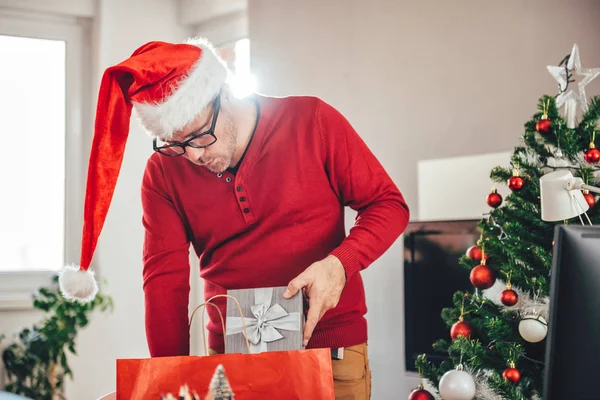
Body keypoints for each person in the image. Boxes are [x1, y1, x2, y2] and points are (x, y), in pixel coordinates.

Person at [59, 37, 409, 400]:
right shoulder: (163, 172)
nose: (192, 156)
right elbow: (164, 282)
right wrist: (167, 379)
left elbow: (388, 204)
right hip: (229, 361)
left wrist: (339, 265)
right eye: (174, 143)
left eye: (199, 136)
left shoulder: (312, 121)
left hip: (329, 350)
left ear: (224, 93)